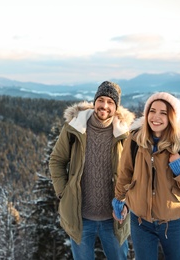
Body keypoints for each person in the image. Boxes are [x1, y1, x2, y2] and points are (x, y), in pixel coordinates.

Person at [112, 92, 180, 259]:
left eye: (163, 113)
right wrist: (119, 199)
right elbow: (125, 172)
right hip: (140, 223)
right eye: (152, 111)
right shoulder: (134, 139)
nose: (156, 117)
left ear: (172, 117)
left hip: (173, 224)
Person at [49, 81, 135, 260]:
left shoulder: (125, 134)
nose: (104, 106)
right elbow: (57, 160)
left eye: (110, 102)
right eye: (101, 100)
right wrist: (63, 192)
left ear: (116, 106)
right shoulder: (75, 128)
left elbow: (134, 173)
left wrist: (126, 202)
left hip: (114, 218)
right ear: (95, 101)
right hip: (81, 217)